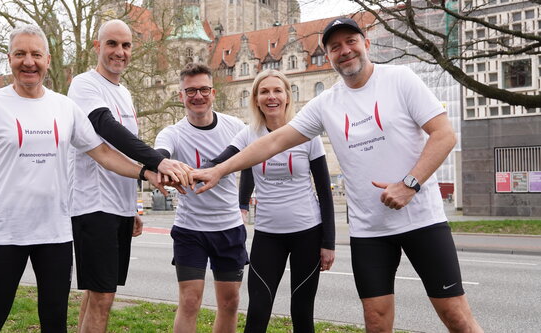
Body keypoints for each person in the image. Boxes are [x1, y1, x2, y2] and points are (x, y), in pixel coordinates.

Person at [192, 18, 482, 333]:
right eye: (335, 47)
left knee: (456, 316)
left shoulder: (400, 79)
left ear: (366, 44)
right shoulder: (325, 103)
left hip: (422, 221)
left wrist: (409, 184)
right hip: (369, 231)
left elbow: (444, 135)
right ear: (329, 56)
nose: (344, 51)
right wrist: (219, 170)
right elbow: (272, 142)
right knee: (375, 321)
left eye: (350, 42)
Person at [0, 24, 164, 333]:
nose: (29, 62)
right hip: (5, 234)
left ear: (48, 59)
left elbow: (102, 153)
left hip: (55, 234)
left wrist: (145, 172)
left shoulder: (64, 107)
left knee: (55, 323)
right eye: (21, 54)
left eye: (36, 54)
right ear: (9, 58)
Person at [66, 19, 192, 333]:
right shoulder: (84, 84)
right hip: (93, 206)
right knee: (104, 297)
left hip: (118, 208)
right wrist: (158, 163)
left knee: (97, 293)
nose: (119, 52)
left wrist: (132, 206)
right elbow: (106, 127)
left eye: (126, 45)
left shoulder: (125, 92)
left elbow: (123, 153)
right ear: (97, 47)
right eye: (112, 44)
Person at [214, 69, 336, 332]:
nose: (271, 97)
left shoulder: (307, 134)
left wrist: (328, 243)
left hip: (308, 232)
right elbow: (225, 159)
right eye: (264, 92)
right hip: (268, 234)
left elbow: (325, 192)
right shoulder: (250, 134)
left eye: (277, 91)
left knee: (302, 311)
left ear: (288, 97)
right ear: (256, 99)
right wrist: (191, 171)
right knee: (258, 310)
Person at [154, 63, 247, 333]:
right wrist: (162, 166)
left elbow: (249, 161)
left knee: (230, 302)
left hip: (228, 228)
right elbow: (160, 154)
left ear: (213, 92)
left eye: (204, 89)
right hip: (190, 229)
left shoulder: (235, 126)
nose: (198, 96)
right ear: (181, 96)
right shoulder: (172, 132)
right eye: (190, 90)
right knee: (190, 301)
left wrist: (243, 204)